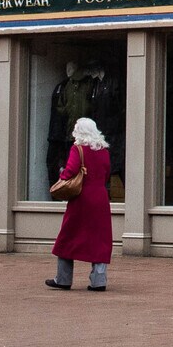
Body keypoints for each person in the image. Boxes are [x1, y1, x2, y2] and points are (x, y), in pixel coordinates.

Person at [47, 116, 113, 292]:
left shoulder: (78, 149)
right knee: (100, 240)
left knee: (68, 238)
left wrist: (61, 174)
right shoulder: (104, 151)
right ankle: (98, 281)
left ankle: (63, 279)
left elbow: (70, 171)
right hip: (100, 198)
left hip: (81, 199)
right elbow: (107, 174)